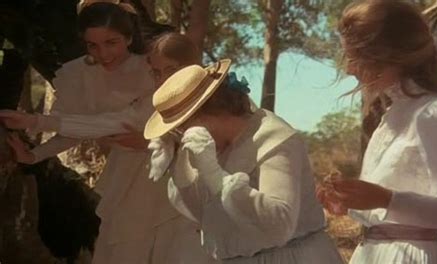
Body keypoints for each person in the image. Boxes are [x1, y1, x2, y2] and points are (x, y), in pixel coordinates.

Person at [0, 4, 215, 263]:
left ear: (128, 37)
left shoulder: (151, 69)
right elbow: (79, 126)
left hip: (165, 169)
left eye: (111, 42)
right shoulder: (79, 74)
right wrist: (35, 155)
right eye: (92, 45)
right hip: (124, 173)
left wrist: (35, 121)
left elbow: (114, 123)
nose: (103, 53)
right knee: (120, 245)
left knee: (169, 244)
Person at [317, 0, 437, 263]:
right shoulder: (394, 114)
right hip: (372, 253)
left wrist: (387, 199)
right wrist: (349, 202)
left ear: (388, 54)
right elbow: (390, 209)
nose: (349, 69)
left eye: (355, 57)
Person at [143, 59, 344, 263]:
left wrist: (216, 176)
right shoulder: (207, 146)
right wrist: (181, 172)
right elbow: (208, 218)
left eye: (183, 127)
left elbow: (280, 225)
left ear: (206, 115)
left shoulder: (272, 137)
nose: (182, 134)